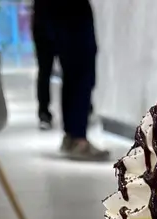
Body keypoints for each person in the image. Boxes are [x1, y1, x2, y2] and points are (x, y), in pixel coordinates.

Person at [34, 0, 107, 161]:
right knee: (81, 70)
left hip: (47, 10)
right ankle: (78, 139)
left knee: (71, 71)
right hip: (71, 10)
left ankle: (72, 136)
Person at [31, 3, 55, 130]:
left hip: (44, 18)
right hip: (44, 20)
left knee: (45, 71)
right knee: (45, 71)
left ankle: (44, 114)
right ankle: (44, 113)